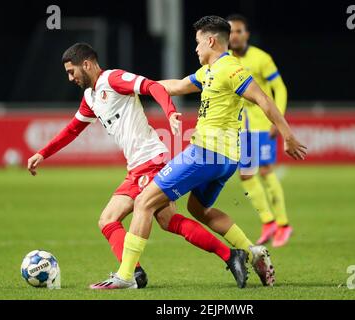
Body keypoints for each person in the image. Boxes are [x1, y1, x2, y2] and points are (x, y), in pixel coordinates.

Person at [93, 16, 306, 289]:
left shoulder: (231, 69)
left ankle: (125, 276)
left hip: (206, 154)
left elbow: (263, 98)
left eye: (197, 43)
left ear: (211, 40)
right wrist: (136, 86)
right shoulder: (208, 71)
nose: (195, 49)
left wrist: (287, 135)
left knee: (145, 200)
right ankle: (252, 252)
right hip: (226, 159)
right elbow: (179, 85)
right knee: (198, 208)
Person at [27, 42, 250, 290]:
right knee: (168, 221)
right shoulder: (90, 97)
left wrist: (170, 111)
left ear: (87, 64)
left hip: (150, 161)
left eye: (72, 71)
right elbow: (73, 129)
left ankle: (131, 273)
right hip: (138, 165)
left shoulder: (113, 79)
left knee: (108, 219)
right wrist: (43, 153)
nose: (70, 78)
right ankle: (231, 256)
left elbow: (151, 86)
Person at [227, 14, 292, 247]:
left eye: (238, 31)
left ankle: (283, 224)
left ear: (247, 34)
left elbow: (279, 88)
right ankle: (268, 222)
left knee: (264, 169)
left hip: (262, 124)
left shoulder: (261, 58)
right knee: (245, 174)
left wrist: (278, 118)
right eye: (231, 31)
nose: (234, 35)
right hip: (240, 128)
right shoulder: (225, 60)